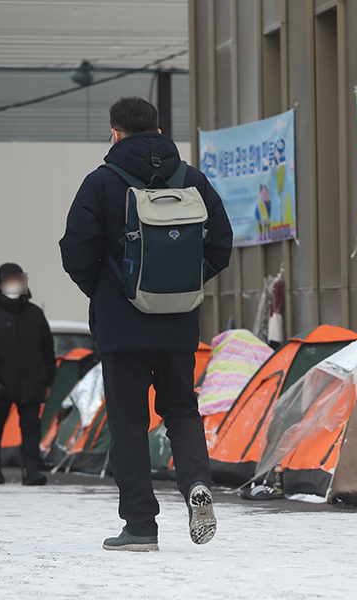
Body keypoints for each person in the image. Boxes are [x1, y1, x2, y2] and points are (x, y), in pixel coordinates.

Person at [59, 97, 233, 552]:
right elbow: (221, 243)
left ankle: (140, 528)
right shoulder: (192, 179)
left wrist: (107, 290)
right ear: (158, 131)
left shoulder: (101, 182)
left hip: (122, 327)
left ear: (115, 133)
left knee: (130, 424)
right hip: (178, 322)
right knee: (181, 409)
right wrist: (185, 283)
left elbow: (75, 250)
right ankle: (196, 483)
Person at [0, 263, 55, 486]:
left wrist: (47, 380)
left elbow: (47, 350)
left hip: (31, 383)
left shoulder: (35, 314)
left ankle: (31, 470)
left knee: (31, 426)